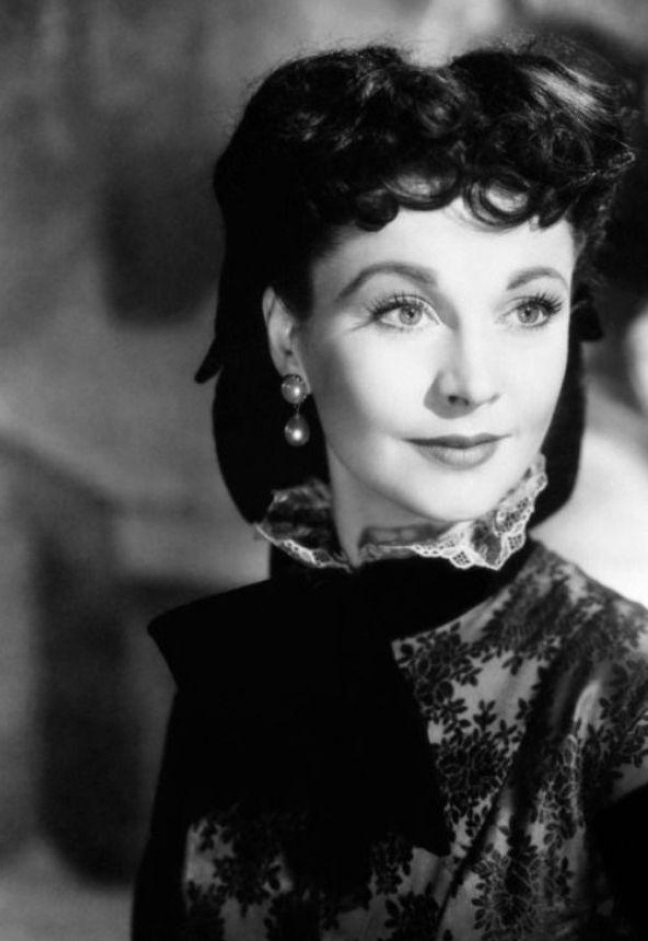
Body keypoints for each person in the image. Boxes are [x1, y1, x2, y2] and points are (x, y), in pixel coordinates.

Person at [132, 41, 648, 940]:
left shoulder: (624, 695)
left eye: (529, 308)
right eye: (404, 309)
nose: (473, 383)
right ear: (288, 338)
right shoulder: (235, 675)